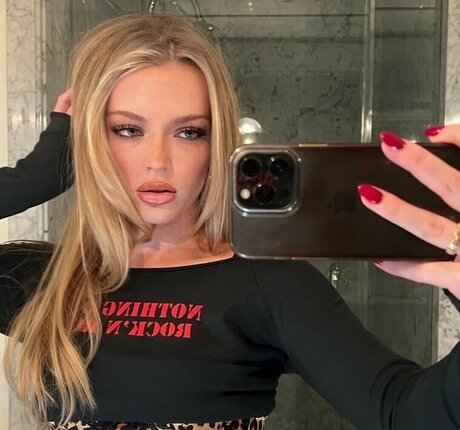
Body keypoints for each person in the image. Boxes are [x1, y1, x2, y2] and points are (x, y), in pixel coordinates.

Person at [1, 13, 460, 430]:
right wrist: (36, 174)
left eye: (189, 132)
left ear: (216, 142)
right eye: (128, 130)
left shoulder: (269, 284)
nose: (158, 160)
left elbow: (406, 413)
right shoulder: (46, 279)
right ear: (89, 139)